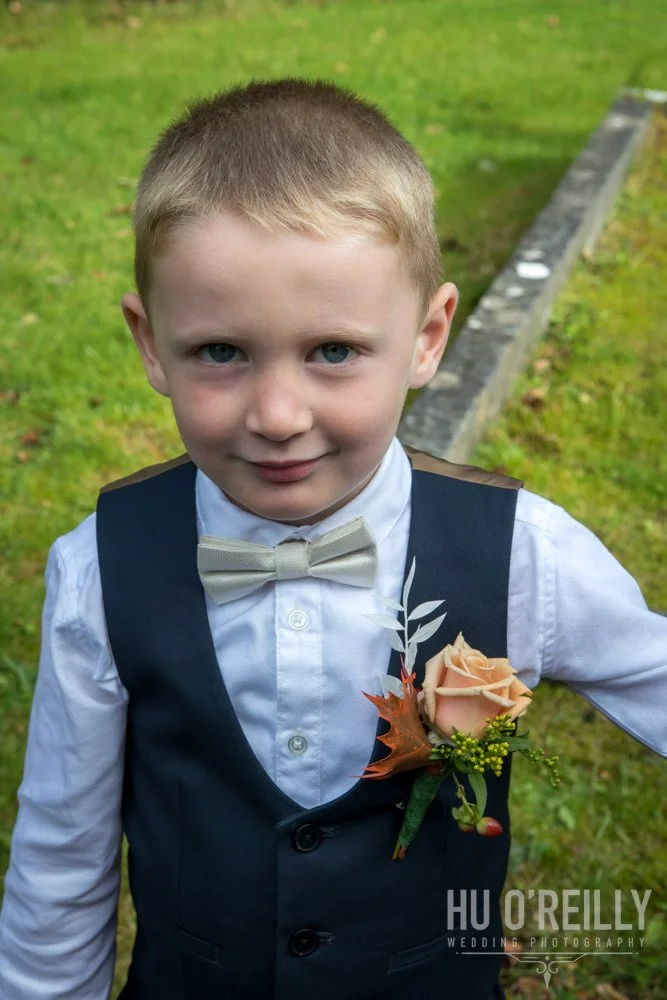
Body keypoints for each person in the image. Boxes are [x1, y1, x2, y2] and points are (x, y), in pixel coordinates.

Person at [0, 77, 665, 1000]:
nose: (278, 415)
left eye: (333, 352)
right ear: (151, 343)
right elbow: (60, 860)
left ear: (427, 336)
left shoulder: (518, 552)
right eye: (221, 352)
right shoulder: (100, 570)